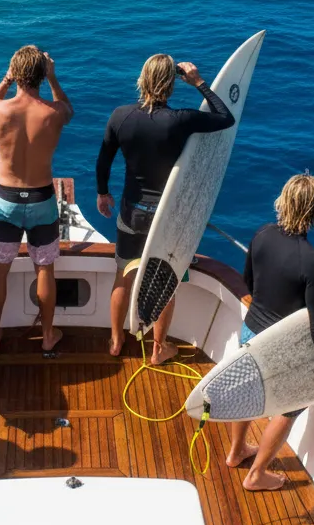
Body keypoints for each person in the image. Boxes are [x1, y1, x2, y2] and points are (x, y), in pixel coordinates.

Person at [96, 55, 234, 362]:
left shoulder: (120, 116)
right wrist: (198, 82)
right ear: (171, 84)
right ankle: (158, 349)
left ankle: (116, 341)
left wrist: (102, 193)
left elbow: (103, 160)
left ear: (142, 79)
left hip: (131, 213)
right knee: (164, 282)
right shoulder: (180, 120)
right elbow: (226, 117)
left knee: (123, 276)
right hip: (166, 219)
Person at [226, 172, 314, 491]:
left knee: (247, 394)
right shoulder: (313, 261)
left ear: (282, 201)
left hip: (250, 332)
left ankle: (236, 452)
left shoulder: (262, 234)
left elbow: (249, 282)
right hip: (281, 346)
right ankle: (256, 475)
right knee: (290, 406)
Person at [0, 46, 73, 352]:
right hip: (41, 199)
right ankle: (47, 336)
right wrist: (53, 78)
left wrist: (7, 79)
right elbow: (68, 109)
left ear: (15, 73)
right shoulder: (53, 113)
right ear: (42, 75)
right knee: (45, 269)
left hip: (5, 199)